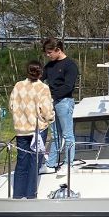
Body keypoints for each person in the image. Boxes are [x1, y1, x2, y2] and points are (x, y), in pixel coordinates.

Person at [9, 60, 55, 199]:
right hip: (37, 130)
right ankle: (30, 195)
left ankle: (18, 194)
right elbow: (46, 110)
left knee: (22, 161)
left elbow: (11, 105)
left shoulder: (18, 86)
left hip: (21, 129)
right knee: (34, 162)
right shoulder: (43, 88)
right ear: (40, 72)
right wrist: (50, 118)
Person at [41, 38, 79, 172]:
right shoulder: (49, 65)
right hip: (52, 102)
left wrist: (52, 96)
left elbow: (68, 86)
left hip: (64, 102)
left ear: (58, 50)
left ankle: (69, 163)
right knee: (55, 134)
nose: (47, 55)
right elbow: (40, 78)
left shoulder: (70, 65)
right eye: (46, 52)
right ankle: (51, 164)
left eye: (49, 52)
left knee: (67, 134)